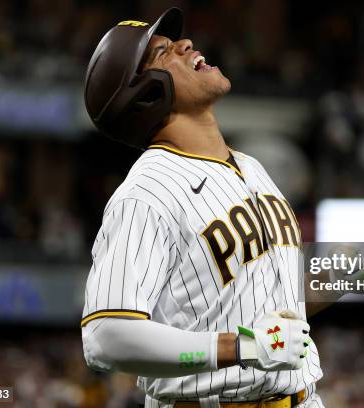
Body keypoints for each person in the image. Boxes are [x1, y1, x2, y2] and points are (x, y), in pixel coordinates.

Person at [81, 7, 323, 408]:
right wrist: (241, 347)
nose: (186, 44)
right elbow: (105, 336)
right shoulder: (146, 193)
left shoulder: (252, 167)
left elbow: (265, 298)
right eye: (163, 52)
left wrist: (353, 275)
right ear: (148, 94)